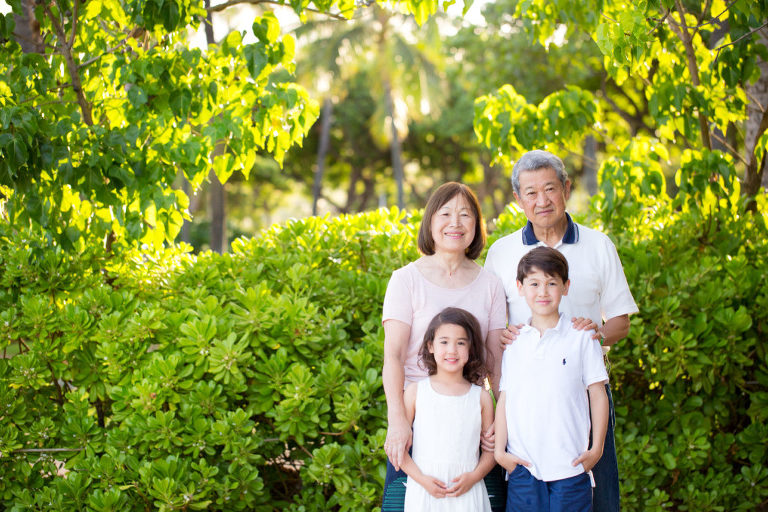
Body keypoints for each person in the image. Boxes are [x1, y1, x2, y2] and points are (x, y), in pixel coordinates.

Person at [484, 149, 638, 512]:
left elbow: (621, 320)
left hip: (583, 391)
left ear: (566, 188)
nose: (542, 200)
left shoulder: (598, 245)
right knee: (527, 495)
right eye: (531, 192)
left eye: (550, 189)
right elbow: (490, 324)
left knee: (596, 495)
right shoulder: (501, 252)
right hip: (523, 400)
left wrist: (595, 333)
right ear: (517, 198)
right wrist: (502, 335)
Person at [382, 182, 507, 510]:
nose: (456, 222)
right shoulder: (405, 279)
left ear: (476, 226)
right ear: (430, 222)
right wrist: (398, 421)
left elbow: (496, 360)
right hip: (417, 424)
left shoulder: (490, 284)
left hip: (471, 427)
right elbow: (393, 356)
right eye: (446, 213)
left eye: (466, 215)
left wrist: (502, 420)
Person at [495, 247, 609, 512]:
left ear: (566, 287)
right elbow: (505, 398)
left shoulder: (582, 336)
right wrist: (500, 452)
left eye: (551, 283)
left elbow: (597, 394)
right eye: (534, 283)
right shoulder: (514, 342)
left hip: (570, 467)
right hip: (524, 469)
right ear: (520, 287)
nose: (543, 291)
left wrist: (597, 450)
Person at [401, 307, 496, 511]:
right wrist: (422, 480)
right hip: (424, 492)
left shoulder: (481, 397)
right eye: (444, 342)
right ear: (431, 345)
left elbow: (491, 450)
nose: (452, 350)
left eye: (461, 343)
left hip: (468, 493)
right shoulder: (415, 392)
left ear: (471, 349)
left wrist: (474, 477)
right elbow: (398, 449)